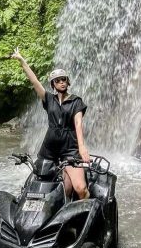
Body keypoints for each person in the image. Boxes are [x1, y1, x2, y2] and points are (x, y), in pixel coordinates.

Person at [11, 47, 90, 199]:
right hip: (49, 149)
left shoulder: (76, 101)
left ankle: (85, 214)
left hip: (70, 150)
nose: (61, 82)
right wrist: (22, 61)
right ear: (53, 84)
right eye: (57, 80)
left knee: (80, 188)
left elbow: (78, 124)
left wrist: (82, 148)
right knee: (41, 186)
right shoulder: (49, 99)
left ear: (68, 82)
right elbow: (34, 81)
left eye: (64, 79)